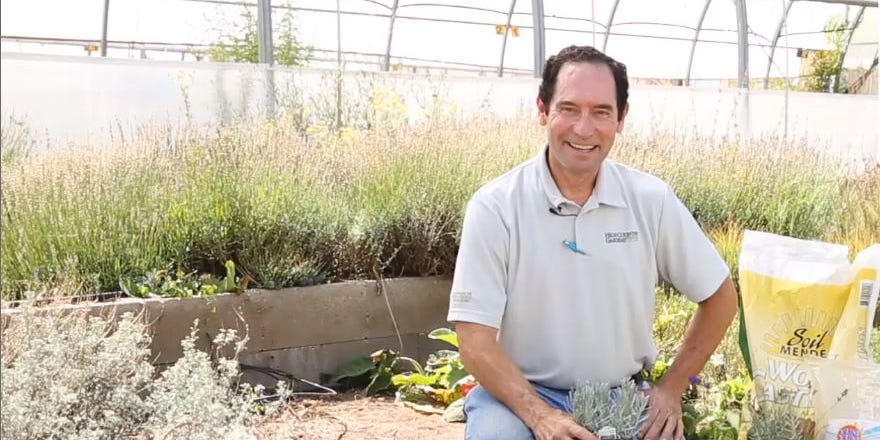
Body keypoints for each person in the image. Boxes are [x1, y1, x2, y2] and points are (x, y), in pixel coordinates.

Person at [447, 45, 738, 440]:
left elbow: (720, 296)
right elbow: (474, 338)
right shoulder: (497, 206)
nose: (584, 129)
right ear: (542, 110)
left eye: (601, 111)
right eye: (569, 109)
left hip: (620, 395)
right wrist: (541, 417)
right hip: (517, 398)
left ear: (621, 119)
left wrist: (670, 389)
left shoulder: (650, 201)